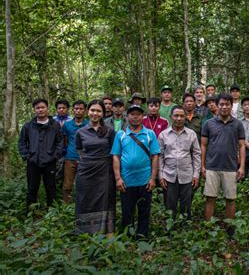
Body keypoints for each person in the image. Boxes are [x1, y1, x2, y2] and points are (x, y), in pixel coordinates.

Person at [111, 104, 160, 240]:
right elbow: (116, 156)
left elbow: (155, 156)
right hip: (126, 181)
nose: (135, 117)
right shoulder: (121, 135)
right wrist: (118, 178)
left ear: (142, 116)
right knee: (127, 211)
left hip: (145, 180)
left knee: (144, 211)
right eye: (132, 114)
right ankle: (127, 236)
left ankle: (142, 236)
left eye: (138, 114)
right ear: (127, 116)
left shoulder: (150, 134)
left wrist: (153, 178)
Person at [201, 93, 246, 221]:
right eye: (221, 104)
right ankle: (208, 227)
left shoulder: (237, 124)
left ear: (231, 106)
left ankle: (230, 228)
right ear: (217, 105)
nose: (224, 107)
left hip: (230, 167)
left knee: (230, 199)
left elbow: (242, 146)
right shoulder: (208, 124)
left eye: (227, 104)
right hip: (212, 167)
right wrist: (202, 165)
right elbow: (203, 145)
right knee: (210, 198)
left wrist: (241, 167)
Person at [75, 100, 115, 235]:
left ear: (103, 113)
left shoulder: (109, 131)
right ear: (88, 111)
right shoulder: (80, 132)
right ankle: (86, 232)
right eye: (92, 110)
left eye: (98, 111)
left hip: (104, 170)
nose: (95, 113)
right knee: (85, 199)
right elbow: (80, 151)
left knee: (105, 199)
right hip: (85, 171)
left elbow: (114, 152)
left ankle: (107, 232)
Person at [18, 99, 63, 208]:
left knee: (51, 188)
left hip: (49, 162)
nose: (40, 110)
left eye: (43, 107)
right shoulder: (28, 126)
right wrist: (27, 156)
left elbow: (60, 142)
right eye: (38, 108)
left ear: (47, 109)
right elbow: (22, 142)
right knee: (32, 188)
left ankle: (52, 212)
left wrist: (55, 156)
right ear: (34, 110)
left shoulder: (55, 125)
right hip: (33, 162)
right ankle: (31, 211)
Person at [159, 106, 201, 219]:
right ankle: (170, 230)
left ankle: (185, 231)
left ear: (185, 117)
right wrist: (161, 175)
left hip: (187, 176)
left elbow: (196, 154)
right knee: (169, 207)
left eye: (182, 116)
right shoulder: (163, 135)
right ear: (171, 117)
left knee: (186, 207)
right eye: (176, 116)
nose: (179, 118)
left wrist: (196, 175)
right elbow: (160, 157)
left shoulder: (191, 134)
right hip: (169, 176)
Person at [62, 100, 89, 203]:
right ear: (73, 110)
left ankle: (84, 204)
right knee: (67, 185)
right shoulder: (67, 125)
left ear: (85, 110)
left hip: (85, 158)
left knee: (85, 184)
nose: (78, 111)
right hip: (70, 157)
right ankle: (66, 206)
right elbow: (65, 141)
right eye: (76, 109)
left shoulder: (88, 124)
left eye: (81, 109)